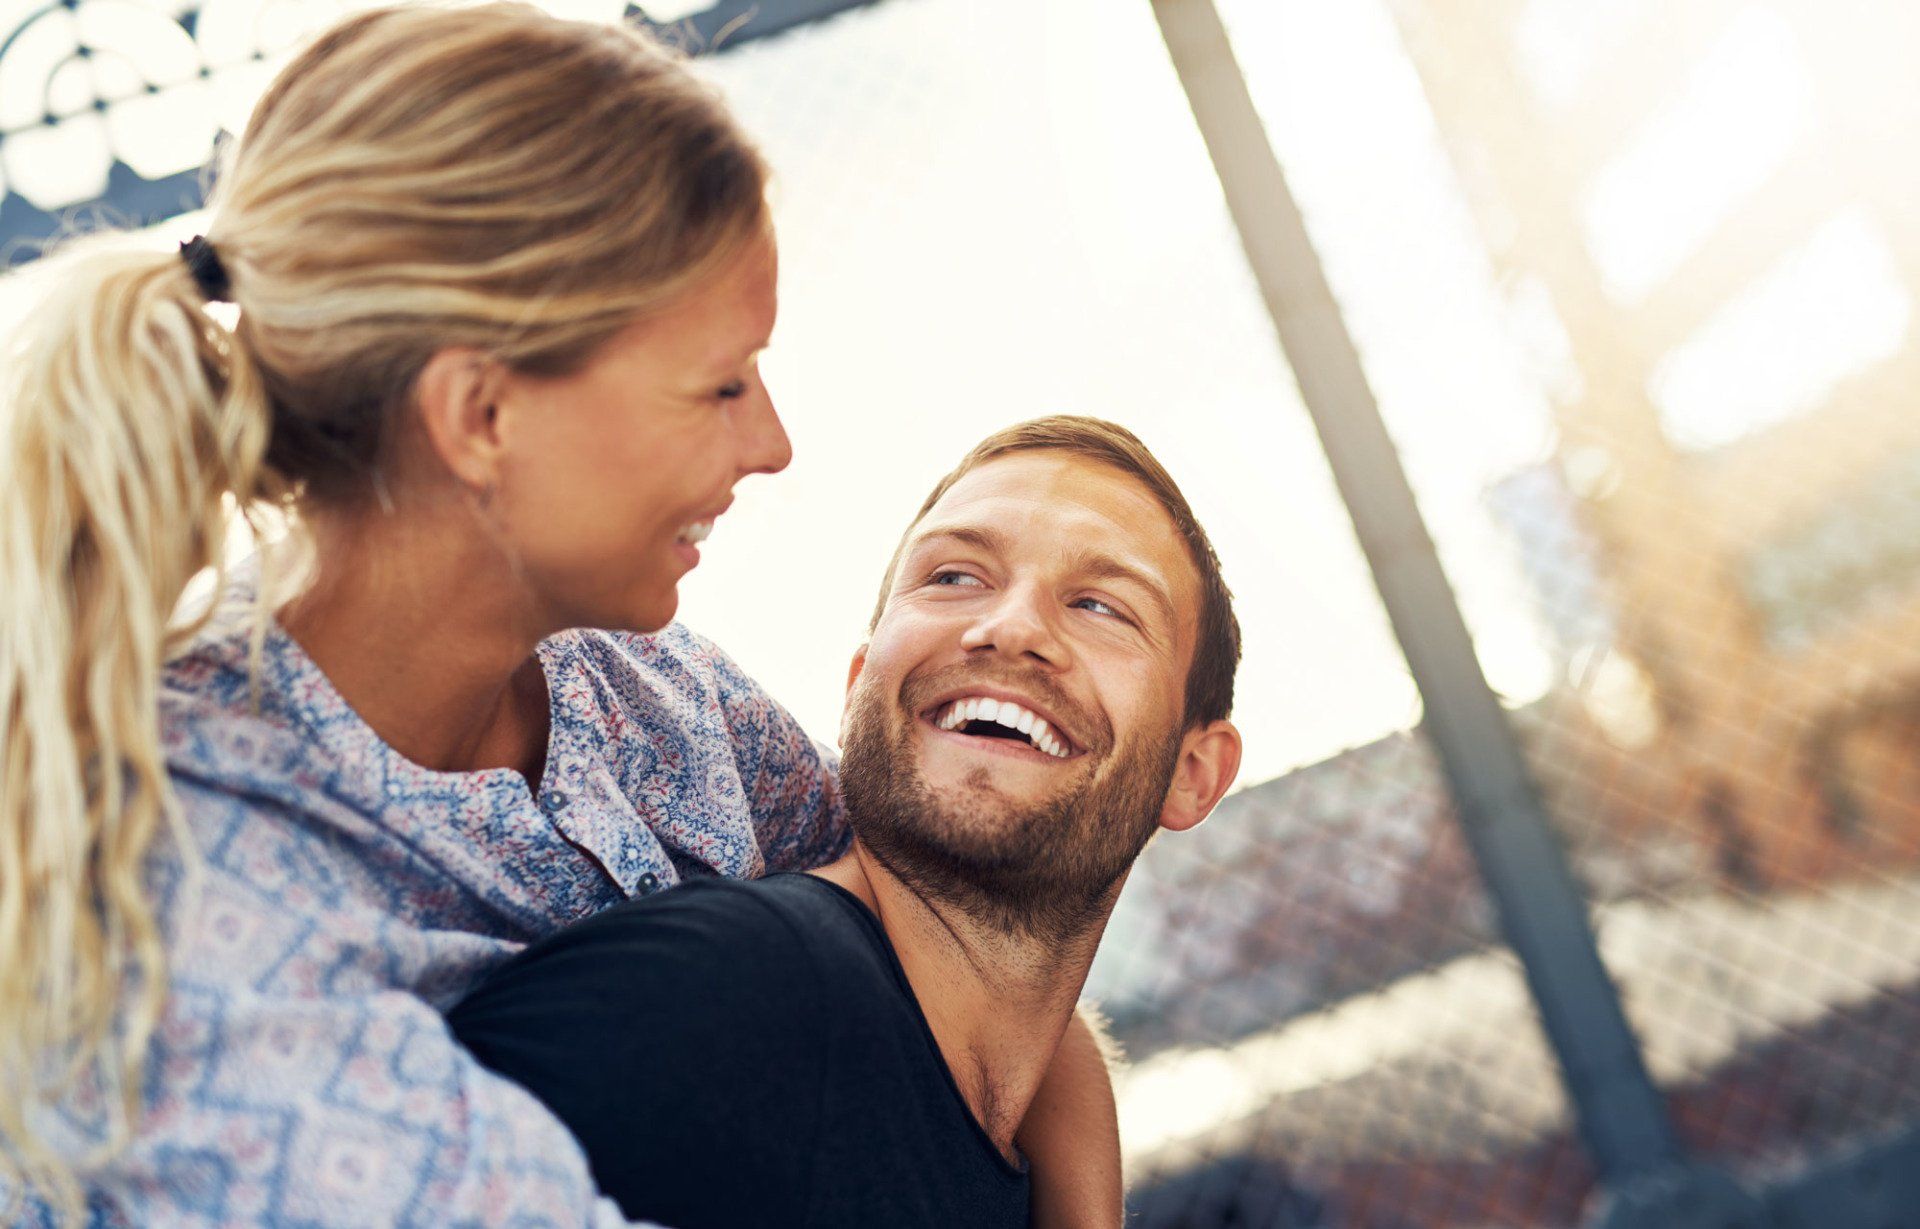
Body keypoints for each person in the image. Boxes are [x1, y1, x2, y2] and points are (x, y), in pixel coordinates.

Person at [0, 7, 1118, 1225]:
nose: (773, 443)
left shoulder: (646, 689)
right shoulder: (177, 896)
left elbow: (980, 963)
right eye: (720, 384)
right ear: (481, 416)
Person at [446, 417, 1245, 1227]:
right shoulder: (729, 998)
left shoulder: (1010, 1141)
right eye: (955, 576)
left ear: (1193, 771)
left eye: (1102, 605)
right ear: (859, 685)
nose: (1010, 626)